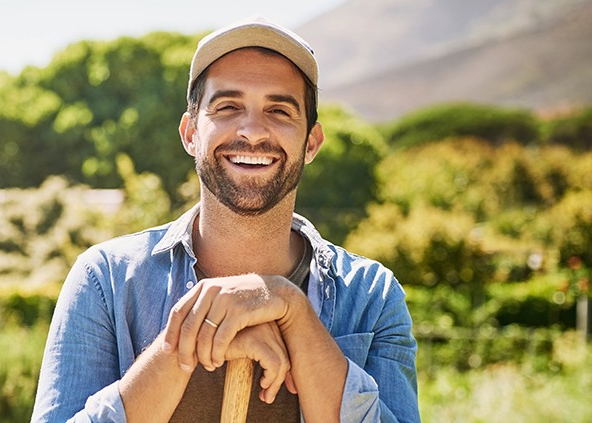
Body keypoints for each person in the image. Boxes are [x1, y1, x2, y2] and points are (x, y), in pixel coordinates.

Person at [32, 16, 419, 423]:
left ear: (311, 142)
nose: (252, 131)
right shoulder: (106, 280)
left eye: (279, 110)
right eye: (228, 106)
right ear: (190, 134)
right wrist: (182, 345)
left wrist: (288, 306)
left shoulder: (372, 297)